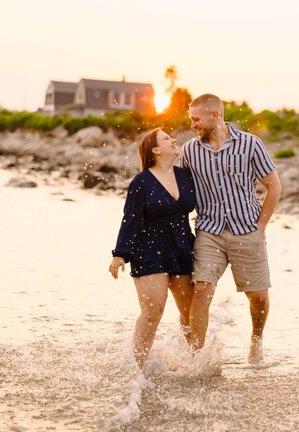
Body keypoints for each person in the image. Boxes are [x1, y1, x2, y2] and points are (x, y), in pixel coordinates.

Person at [179, 94, 281, 363]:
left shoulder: (250, 144)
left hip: (246, 229)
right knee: (201, 291)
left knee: (258, 297)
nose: (193, 125)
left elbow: (274, 185)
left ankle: (256, 342)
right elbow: (179, 189)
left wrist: (261, 226)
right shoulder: (190, 150)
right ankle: (196, 359)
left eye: (196, 119)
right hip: (208, 231)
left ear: (215, 115)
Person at [109, 128, 196, 368]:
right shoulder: (141, 181)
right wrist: (120, 254)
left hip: (182, 249)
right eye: (167, 139)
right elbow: (131, 218)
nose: (173, 140)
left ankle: (193, 362)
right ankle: (135, 367)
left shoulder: (186, 176)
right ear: (155, 150)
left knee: (189, 312)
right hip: (148, 252)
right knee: (152, 312)